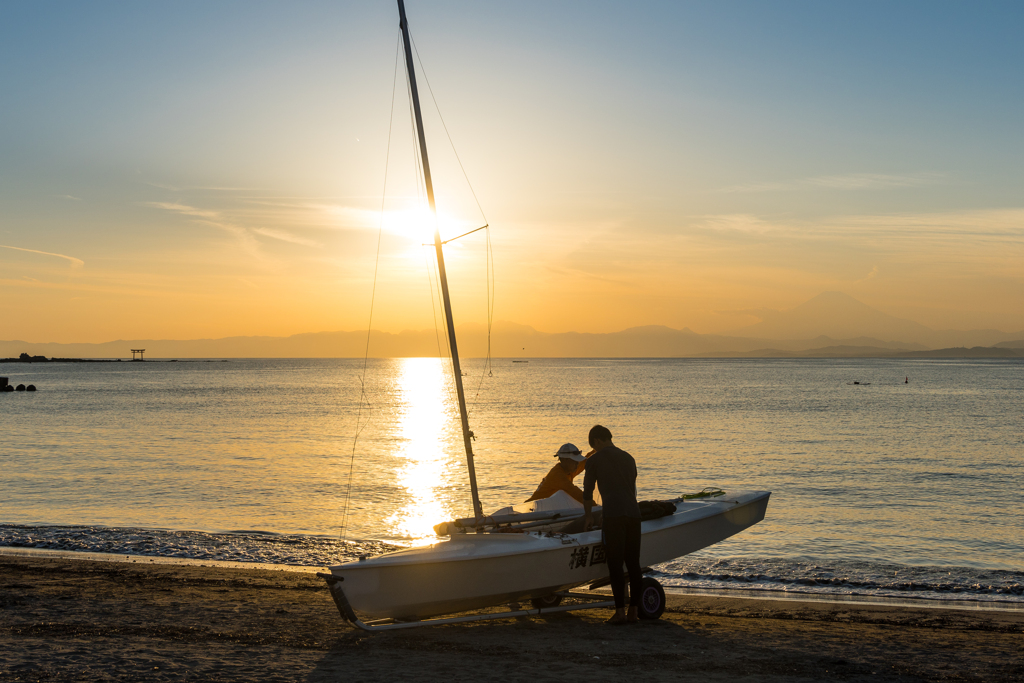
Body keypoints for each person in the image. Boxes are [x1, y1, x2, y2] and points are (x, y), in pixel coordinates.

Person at [583, 425, 641, 625]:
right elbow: (631, 489)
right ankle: (634, 611)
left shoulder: (594, 460)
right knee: (634, 563)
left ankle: (619, 612)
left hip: (614, 516)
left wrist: (589, 516)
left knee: (615, 564)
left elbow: (588, 492)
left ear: (597, 441)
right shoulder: (629, 458)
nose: (594, 449)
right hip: (634, 514)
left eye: (594, 446)